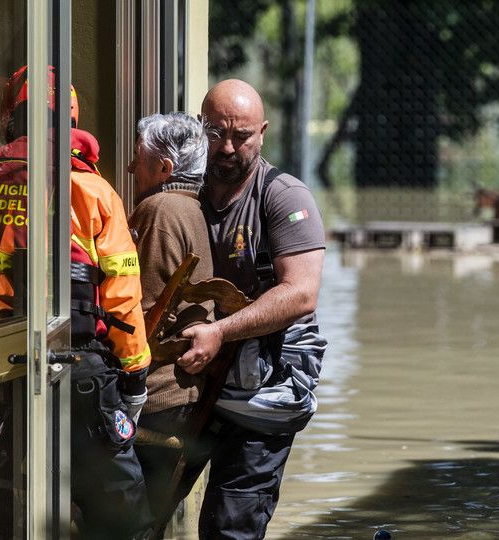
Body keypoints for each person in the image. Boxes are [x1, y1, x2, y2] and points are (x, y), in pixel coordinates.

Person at [0, 65, 153, 538]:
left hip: (4, 372)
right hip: (83, 374)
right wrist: (136, 376)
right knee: (124, 519)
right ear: (74, 120)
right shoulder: (96, 190)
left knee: (7, 511)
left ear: (13, 120)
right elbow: (122, 295)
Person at [175, 79, 328, 538]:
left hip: (264, 389)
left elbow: (301, 294)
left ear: (262, 133)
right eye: (215, 132)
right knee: (142, 506)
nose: (226, 147)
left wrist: (222, 332)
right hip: (194, 379)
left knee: (229, 527)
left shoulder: (284, 195)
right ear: (199, 128)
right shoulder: (184, 191)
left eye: (240, 136)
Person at [126, 112, 216, 527]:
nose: (129, 167)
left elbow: (133, 314)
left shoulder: (159, 209)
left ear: (164, 168)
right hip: (181, 400)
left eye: (137, 158)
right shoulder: (191, 208)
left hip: (156, 399)